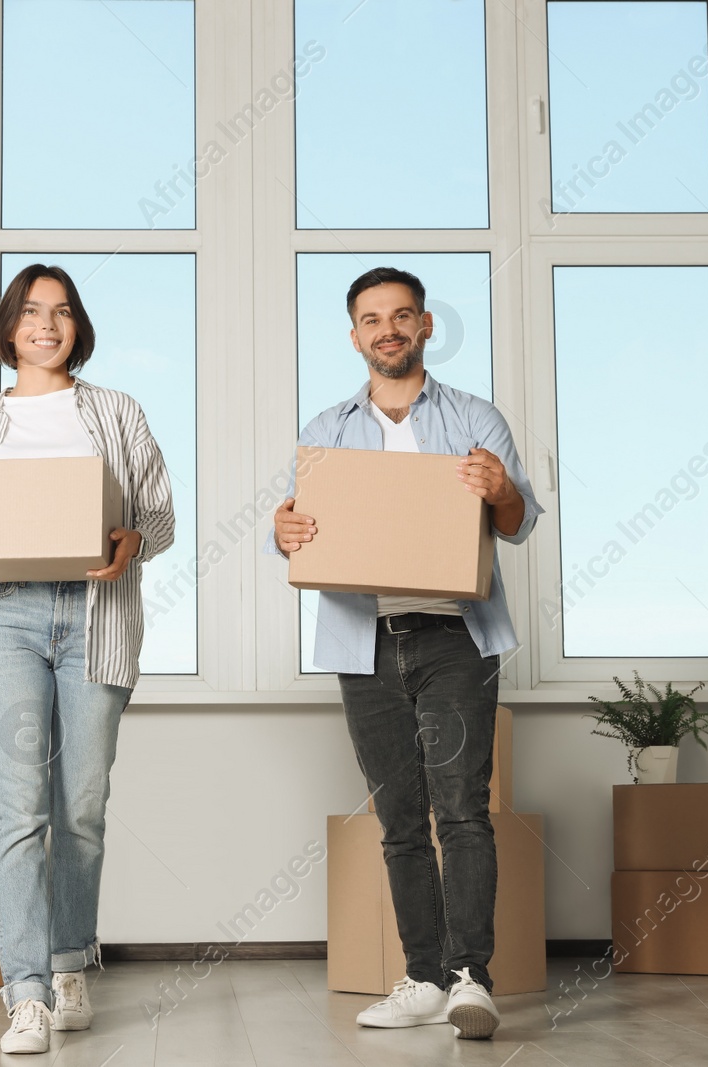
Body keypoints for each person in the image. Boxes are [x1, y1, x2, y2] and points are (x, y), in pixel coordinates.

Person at [270, 266, 540, 1040]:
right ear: (354, 335)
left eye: (401, 315)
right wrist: (281, 530)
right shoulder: (326, 430)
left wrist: (500, 490)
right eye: (370, 318)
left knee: (461, 808)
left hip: (456, 636)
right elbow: (294, 531)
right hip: (366, 643)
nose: (386, 328)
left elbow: (519, 522)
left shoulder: (475, 418)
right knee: (398, 818)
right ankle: (422, 974)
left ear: (425, 326)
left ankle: (470, 980)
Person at [0, 263, 174, 1054]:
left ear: (77, 326)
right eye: (32, 312)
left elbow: (159, 515)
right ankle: (25, 993)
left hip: (92, 616)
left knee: (80, 810)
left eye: (61, 312)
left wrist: (133, 539)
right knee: (18, 809)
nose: (47, 325)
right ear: (9, 326)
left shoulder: (117, 412)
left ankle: (68, 964)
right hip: (9, 619)